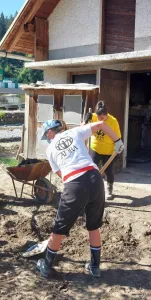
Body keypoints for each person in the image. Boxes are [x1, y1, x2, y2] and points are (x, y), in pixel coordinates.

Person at [37, 119, 124, 278]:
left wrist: (78, 194)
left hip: (74, 183)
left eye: (47, 135)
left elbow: (62, 175)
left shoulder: (50, 150)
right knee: (93, 226)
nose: (47, 138)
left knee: (59, 229)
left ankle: (46, 266)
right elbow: (100, 125)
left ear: (50, 132)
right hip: (95, 178)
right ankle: (95, 268)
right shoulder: (74, 132)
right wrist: (117, 141)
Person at [84, 101, 121, 200]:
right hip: (95, 147)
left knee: (109, 171)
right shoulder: (92, 117)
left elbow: (118, 137)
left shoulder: (113, 121)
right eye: (98, 118)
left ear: (107, 115)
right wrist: (85, 120)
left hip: (108, 150)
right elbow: (82, 128)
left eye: (102, 118)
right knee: (92, 169)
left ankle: (109, 188)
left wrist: (118, 147)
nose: (100, 120)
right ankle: (92, 188)